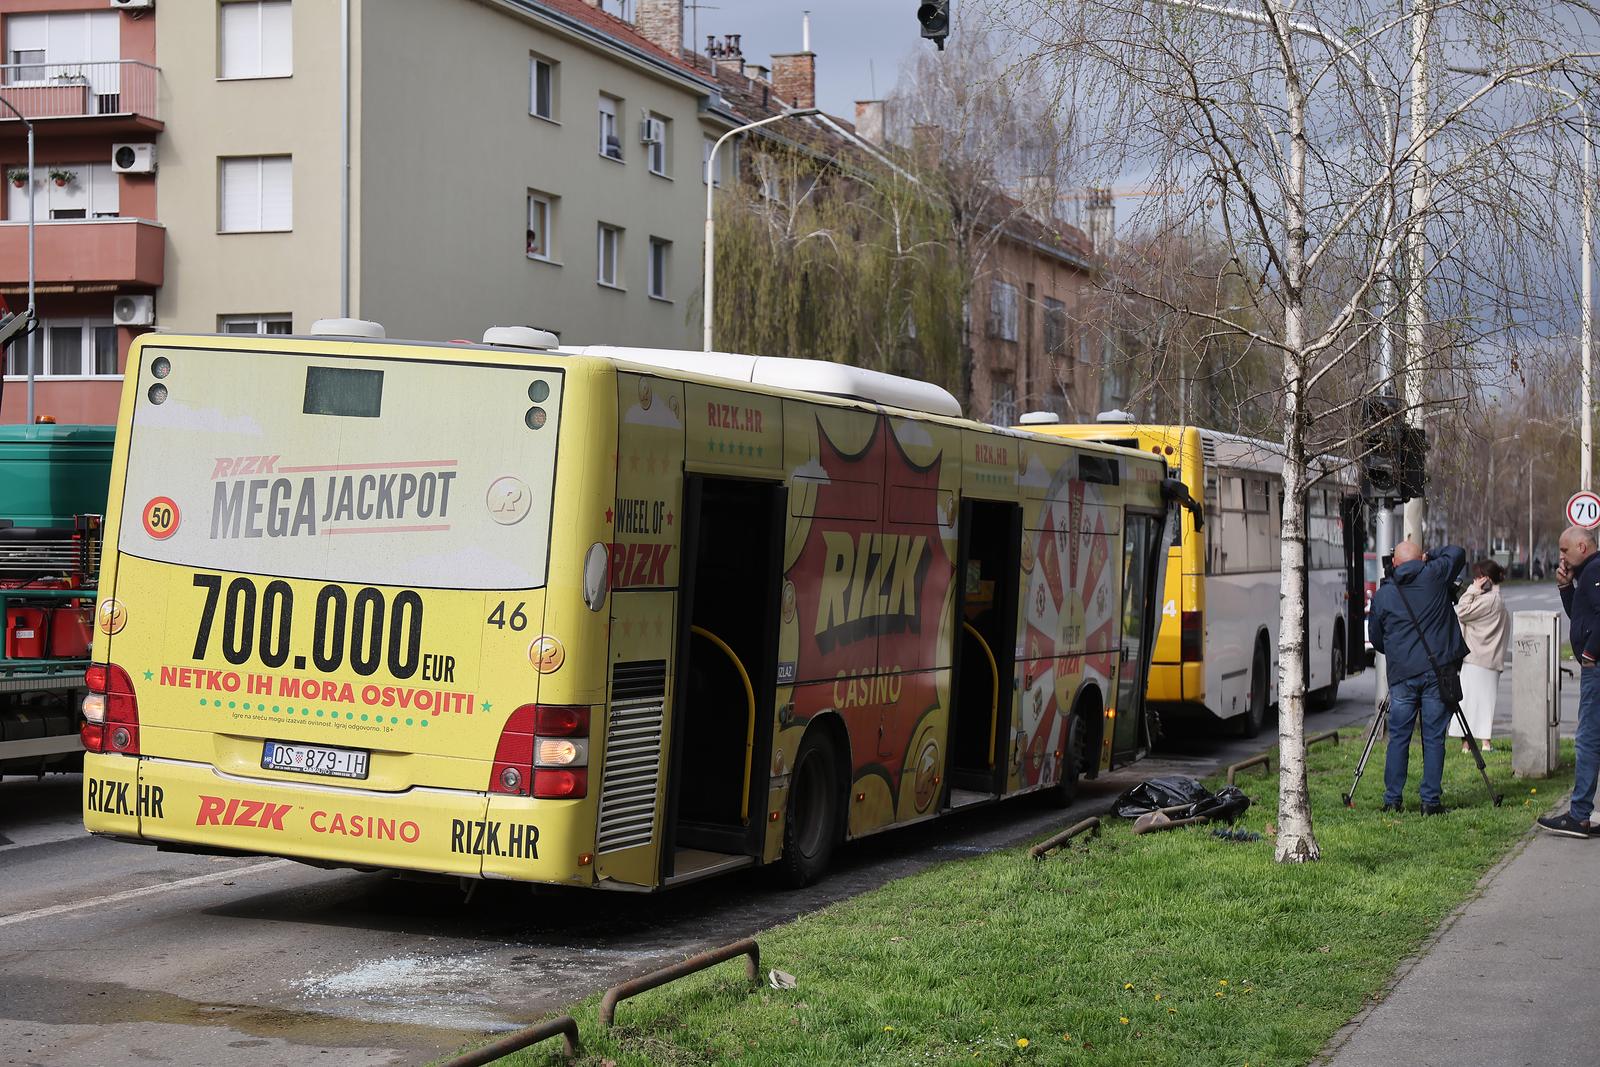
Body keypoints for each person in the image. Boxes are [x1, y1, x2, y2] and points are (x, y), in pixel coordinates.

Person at [1368, 539, 1468, 814]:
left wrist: (1400, 650)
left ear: (1395, 564)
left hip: (1402, 676)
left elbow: (1376, 638)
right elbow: (1457, 552)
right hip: (1437, 673)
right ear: (1420, 560)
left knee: (1399, 736)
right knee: (1433, 736)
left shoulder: (1384, 594)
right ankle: (1430, 801)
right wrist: (1430, 555)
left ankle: (1392, 799)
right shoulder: (1435, 575)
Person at [1538, 526, 1600, 837]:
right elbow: (1582, 616)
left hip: (1597, 669)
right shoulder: (1587, 573)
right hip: (1594, 666)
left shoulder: (1595, 569)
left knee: (1588, 740)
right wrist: (1565, 589)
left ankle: (1578, 816)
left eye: (1564, 550)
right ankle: (1581, 814)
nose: (1561, 557)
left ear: (1582, 546)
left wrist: (1590, 653)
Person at [1452, 560, 1510, 753]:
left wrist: (1472, 589)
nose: (1476, 580)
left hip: (1476, 659)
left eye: (1479, 576)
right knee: (1485, 704)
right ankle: (1484, 743)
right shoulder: (1498, 600)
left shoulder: (1489, 600)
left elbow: (1462, 611)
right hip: (1491, 661)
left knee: (1468, 703)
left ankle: (1469, 745)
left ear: (1486, 578)